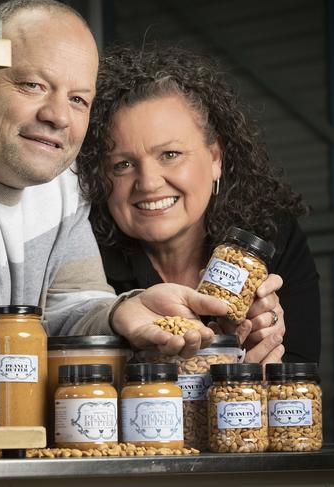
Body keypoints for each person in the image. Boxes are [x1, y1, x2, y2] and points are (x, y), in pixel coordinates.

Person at [0, 2, 227, 426]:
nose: (57, 116)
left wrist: (122, 310)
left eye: (77, 99)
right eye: (32, 85)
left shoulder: (62, 182)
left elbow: (71, 302)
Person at [77, 45, 321, 366]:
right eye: (122, 164)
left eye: (170, 155)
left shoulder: (270, 238)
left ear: (215, 158)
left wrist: (259, 371)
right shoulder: (81, 255)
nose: (148, 182)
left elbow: (301, 373)